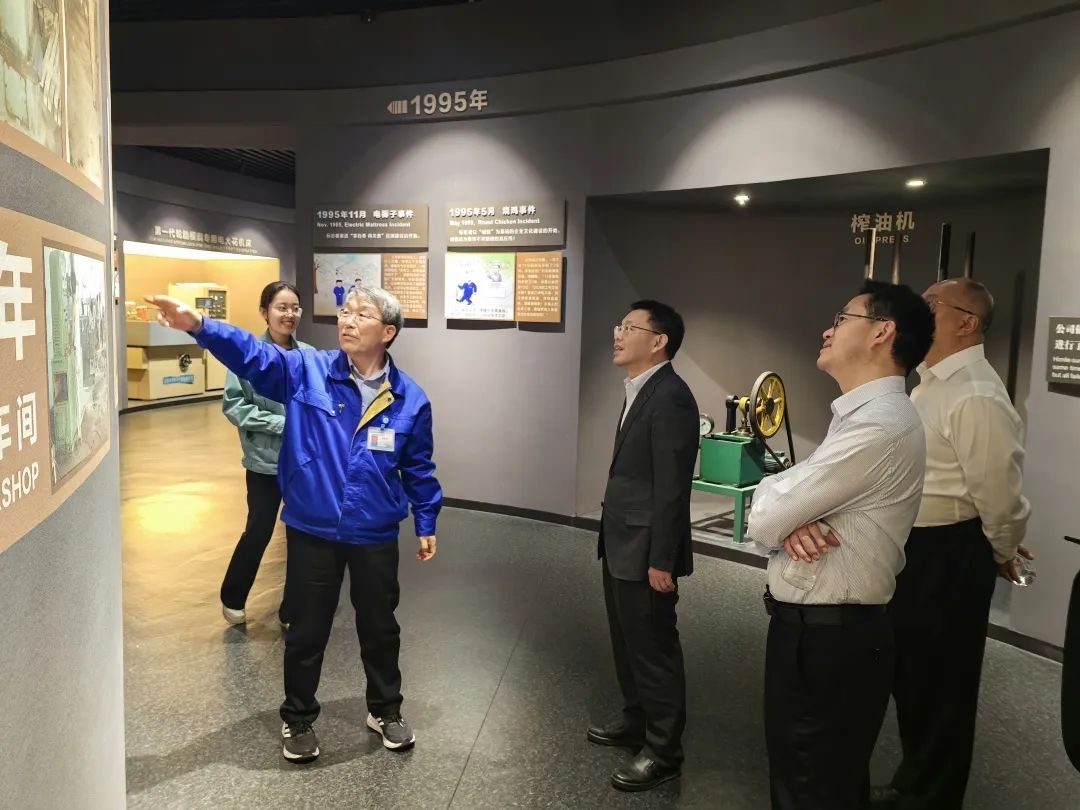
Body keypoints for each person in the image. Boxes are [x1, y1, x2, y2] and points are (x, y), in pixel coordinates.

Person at [146, 286, 442, 765]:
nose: (347, 320)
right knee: (306, 630)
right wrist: (199, 327)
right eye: (345, 311)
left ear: (387, 332)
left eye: (361, 314)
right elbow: (253, 356)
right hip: (313, 528)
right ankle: (299, 717)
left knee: (380, 628)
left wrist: (426, 518)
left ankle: (385, 709)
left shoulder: (410, 399)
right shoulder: (307, 370)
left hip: (374, 532)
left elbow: (419, 467)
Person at [746, 280, 934, 810]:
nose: (828, 330)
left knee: (811, 786)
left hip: (831, 643)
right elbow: (779, 506)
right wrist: (788, 513)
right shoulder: (858, 418)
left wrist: (783, 513)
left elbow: (765, 515)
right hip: (823, 636)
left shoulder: (879, 426)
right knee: (818, 781)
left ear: (881, 332)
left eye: (841, 318)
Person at [871, 279, 1033, 810]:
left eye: (931, 305)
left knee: (943, 686)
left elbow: (999, 495)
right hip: (919, 550)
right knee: (915, 678)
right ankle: (914, 784)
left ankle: (931, 797)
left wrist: (1002, 550)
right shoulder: (931, 383)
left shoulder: (976, 393)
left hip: (949, 555)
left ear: (967, 322)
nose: (919, 311)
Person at [588, 300, 699, 792]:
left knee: (653, 649)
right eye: (619, 325)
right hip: (621, 541)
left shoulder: (671, 396)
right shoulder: (639, 388)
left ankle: (663, 752)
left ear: (658, 341)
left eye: (629, 327)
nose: (618, 334)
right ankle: (637, 722)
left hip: (646, 550)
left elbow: (673, 486)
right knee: (627, 640)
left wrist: (661, 560)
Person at [220, 281, 311, 629]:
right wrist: (282, 423)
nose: (290, 314)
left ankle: (292, 610)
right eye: (281, 307)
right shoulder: (247, 357)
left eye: (295, 308)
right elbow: (235, 405)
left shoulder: (309, 356)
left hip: (302, 463)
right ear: (264, 312)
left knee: (301, 536)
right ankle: (233, 596)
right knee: (258, 530)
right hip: (264, 462)